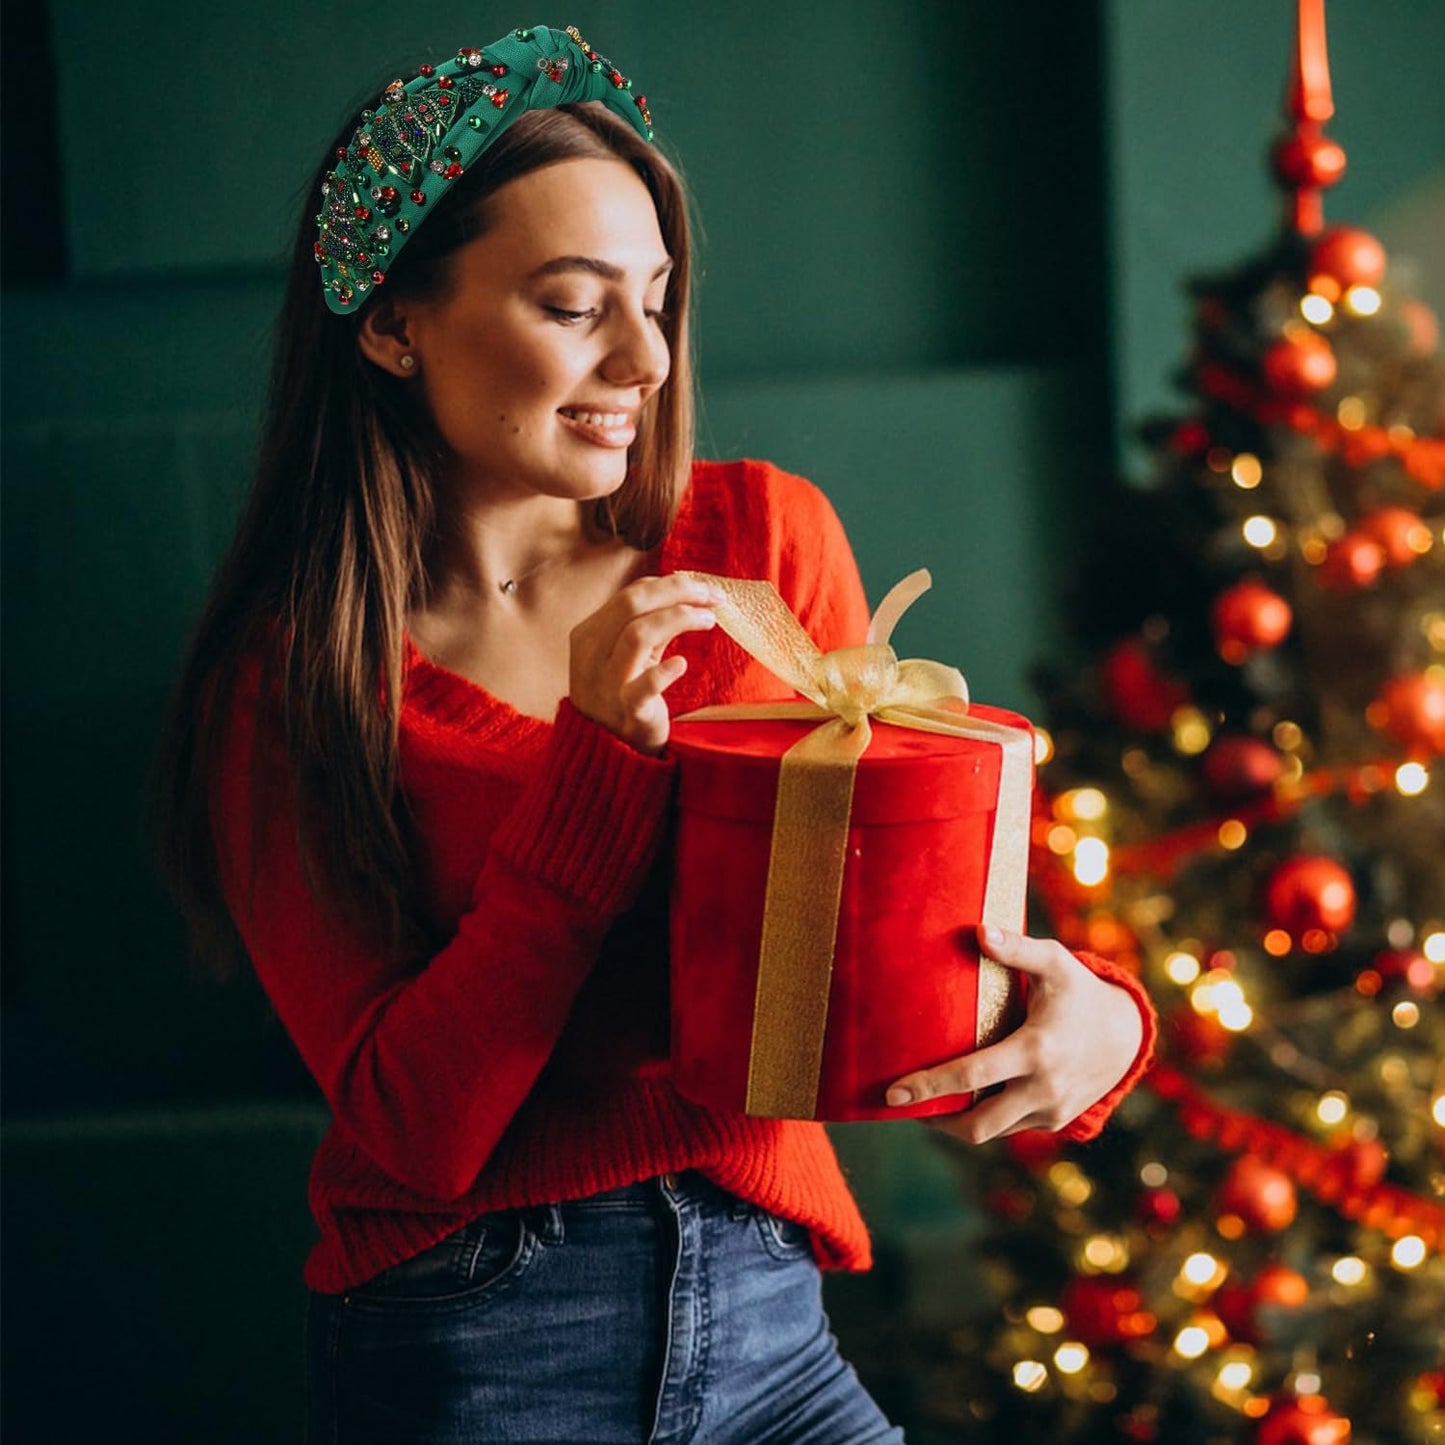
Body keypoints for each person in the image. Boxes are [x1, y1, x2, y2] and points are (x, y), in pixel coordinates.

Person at [155, 23, 1155, 1444]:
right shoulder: (288, 686)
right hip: (479, 1335)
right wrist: (597, 761)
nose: (642, 357)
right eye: (573, 306)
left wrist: (1093, 1019)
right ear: (390, 323)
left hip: (770, 1313)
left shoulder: (759, 543)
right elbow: (413, 1126)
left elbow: (878, 966)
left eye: (659, 298)